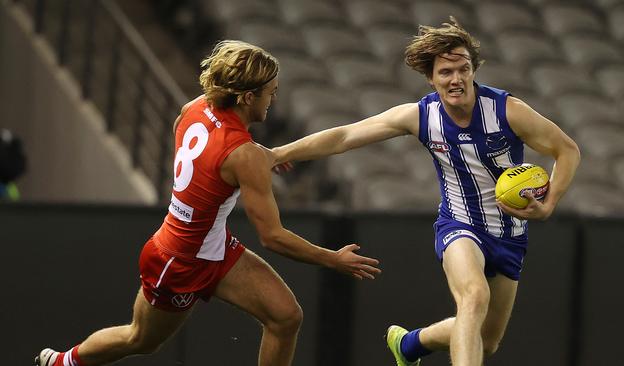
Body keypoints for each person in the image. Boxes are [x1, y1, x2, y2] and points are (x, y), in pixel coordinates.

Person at [35, 40, 381, 366]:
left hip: (212, 248)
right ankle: (66, 361)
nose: (272, 101)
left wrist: (256, 162)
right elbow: (273, 237)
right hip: (178, 258)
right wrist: (333, 259)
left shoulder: (195, 108)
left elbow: (209, 158)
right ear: (247, 97)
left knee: (286, 316)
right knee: (140, 339)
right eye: (270, 94)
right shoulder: (244, 156)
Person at [271, 18, 580, 366]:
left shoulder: (507, 111)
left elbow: (566, 150)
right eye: (446, 72)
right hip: (460, 226)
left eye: (464, 69)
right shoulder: (420, 116)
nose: (456, 79)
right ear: (431, 78)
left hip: (511, 236)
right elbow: (344, 136)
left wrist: (550, 202)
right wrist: (280, 153)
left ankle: (409, 345)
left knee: (487, 341)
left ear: (473, 70)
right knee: (473, 298)